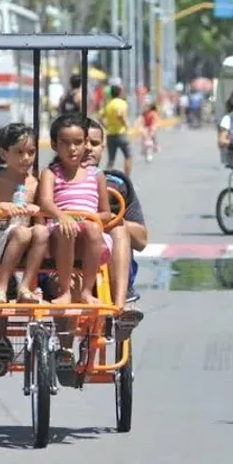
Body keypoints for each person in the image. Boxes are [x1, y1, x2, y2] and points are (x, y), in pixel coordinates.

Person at [39, 114, 113, 305]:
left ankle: (87, 291)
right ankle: (65, 291)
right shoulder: (50, 173)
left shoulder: (96, 175)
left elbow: (105, 212)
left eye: (78, 142)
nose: (72, 149)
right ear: (55, 145)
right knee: (67, 229)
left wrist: (91, 218)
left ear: (85, 144)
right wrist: (62, 216)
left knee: (92, 228)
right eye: (65, 143)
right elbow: (45, 202)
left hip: (90, 236)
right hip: (60, 233)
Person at [0, 123, 49, 304]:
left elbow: (40, 222)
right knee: (22, 233)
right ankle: (2, 286)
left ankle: (25, 286)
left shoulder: (35, 184)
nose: (26, 158)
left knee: (41, 231)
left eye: (31, 152)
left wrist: (37, 212)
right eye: (19, 152)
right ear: (4, 153)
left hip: (24, 236)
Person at [85, 119, 145, 339]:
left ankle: (120, 306)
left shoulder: (118, 182)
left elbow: (142, 240)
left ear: (103, 147)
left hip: (108, 256)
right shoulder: (55, 179)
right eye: (84, 142)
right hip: (69, 251)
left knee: (118, 227)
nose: (88, 149)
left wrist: (112, 221)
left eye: (94, 143)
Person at [102, 84, 133, 176]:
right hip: (121, 133)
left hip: (110, 133)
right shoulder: (122, 103)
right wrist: (125, 124)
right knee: (128, 156)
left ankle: (106, 178)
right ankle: (127, 179)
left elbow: (100, 117)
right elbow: (120, 114)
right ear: (119, 92)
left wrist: (106, 125)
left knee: (111, 159)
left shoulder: (108, 104)